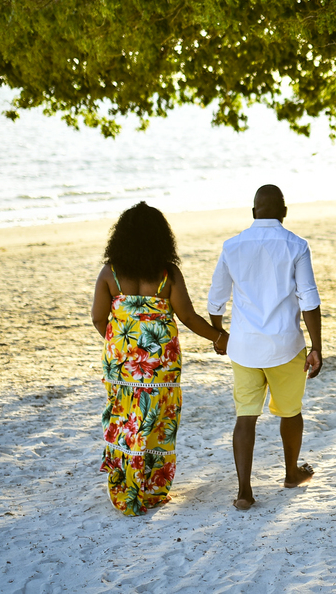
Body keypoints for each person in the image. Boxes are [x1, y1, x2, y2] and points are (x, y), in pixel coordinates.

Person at [91, 202, 229, 517]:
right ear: (161, 238)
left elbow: (98, 318)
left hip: (122, 364)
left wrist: (121, 347)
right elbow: (189, 317)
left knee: (125, 420)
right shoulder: (167, 274)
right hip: (160, 366)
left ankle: (125, 485)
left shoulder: (110, 273)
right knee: (156, 422)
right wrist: (220, 338)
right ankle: (151, 488)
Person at [207, 184, 323, 510]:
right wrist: (317, 346)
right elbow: (309, 299)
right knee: (291, 411)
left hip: (244, 347)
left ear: (253, 211)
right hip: (286, 345)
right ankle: (291, 473)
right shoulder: (296, 245)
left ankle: (244, 491)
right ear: (284, 212)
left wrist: (219, 334)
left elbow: (216, 300)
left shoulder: (232, 246)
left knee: (245, 417)